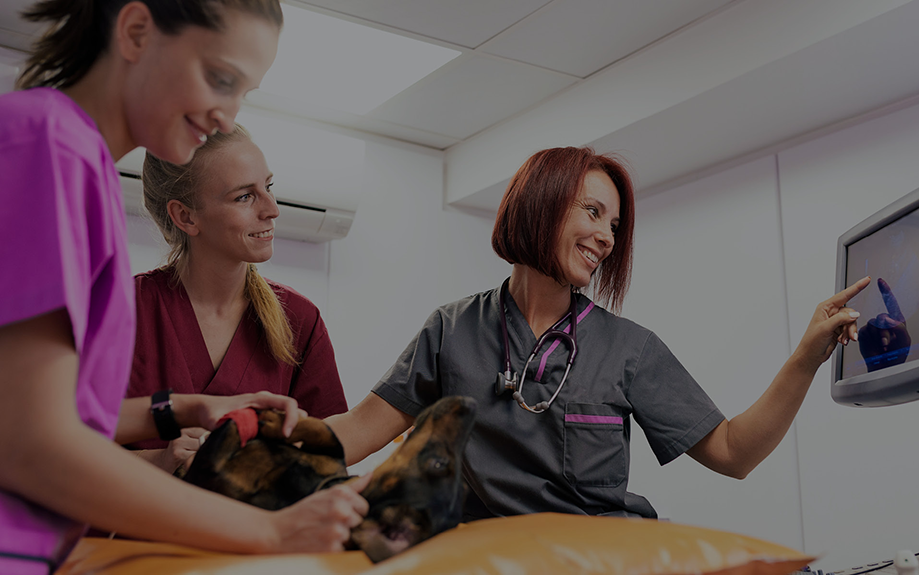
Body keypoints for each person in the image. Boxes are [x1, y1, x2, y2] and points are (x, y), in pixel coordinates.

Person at [0, 1, 368, 571]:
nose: (226, 115)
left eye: (243, 91)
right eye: (220, 79)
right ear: (137, 31)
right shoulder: (49, 144)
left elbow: (67, 416)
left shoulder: (80, 164)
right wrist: (268, 532)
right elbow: (29, 442)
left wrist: (189, 407)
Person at [324, 146, 870, 520]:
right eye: (593, 211)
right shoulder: (450, 332)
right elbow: (352, 434)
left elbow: (733, 452)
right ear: (541, 203)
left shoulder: (629, 348)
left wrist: (804, 358)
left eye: (614, 225)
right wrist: (257, 429)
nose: (607, 237)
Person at [126, 125, 349, 473]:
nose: (272, 209)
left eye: (269, 187)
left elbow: (327, 460)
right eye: (244, 196)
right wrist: (159, 461)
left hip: (257, 527)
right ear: (186, 216)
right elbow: (58, 450)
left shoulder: (300, 321)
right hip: (131, 526)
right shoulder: (123, 310)